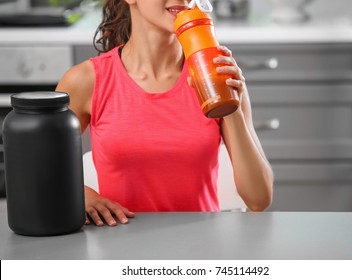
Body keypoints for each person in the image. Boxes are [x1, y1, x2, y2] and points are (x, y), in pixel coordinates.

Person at [55, 0, 274, 227]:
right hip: (119, 246)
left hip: (201, 247)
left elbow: (259, 200)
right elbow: (42, 168)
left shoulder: (216, 78)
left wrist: (232, 108)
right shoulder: (86, 81)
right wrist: (78, 194)